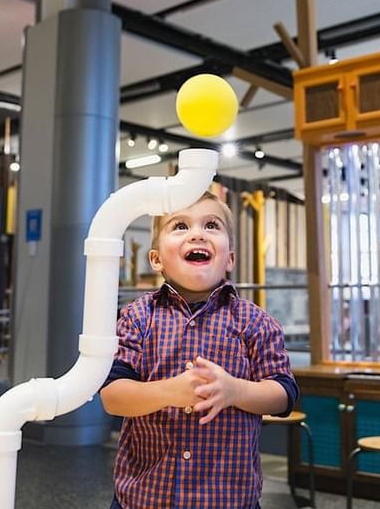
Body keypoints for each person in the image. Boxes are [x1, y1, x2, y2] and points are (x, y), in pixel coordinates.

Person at [100, 191, 298, 509]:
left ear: (230, 258)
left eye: (211, 225)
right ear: (156, 259)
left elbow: (284, 395)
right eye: (180, 225)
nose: (197, 234)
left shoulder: (256, 321)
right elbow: (112, 396)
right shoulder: (137, 316)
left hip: (229, 499)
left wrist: (234, 390)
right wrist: (168, 392)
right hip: (143, 499)